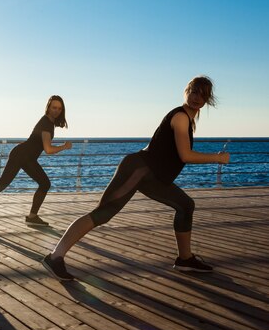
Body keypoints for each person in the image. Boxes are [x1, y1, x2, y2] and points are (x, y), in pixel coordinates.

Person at [42, 76, 230, 280]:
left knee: (185, 205)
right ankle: (54, 257)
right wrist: (217, 158)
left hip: (152, 177)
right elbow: (185, 155)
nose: (197, 97)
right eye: (194, 91)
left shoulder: (188, 119)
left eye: (202, 95)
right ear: (186, 92)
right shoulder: (181, 117)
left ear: (207, 99)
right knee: (102, 213)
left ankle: (185, 259)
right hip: (137, 170)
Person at [0, 95, 72, 229]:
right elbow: (48, 149)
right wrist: (64, 146)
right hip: (20, 156)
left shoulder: (49, 123)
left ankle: (32, 217)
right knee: (2, 185)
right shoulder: (46, 122)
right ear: (48, 108)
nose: (56, 110)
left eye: (59, 108)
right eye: (54, 107)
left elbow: (34, 140)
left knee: (44, 183)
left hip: (27, 157)